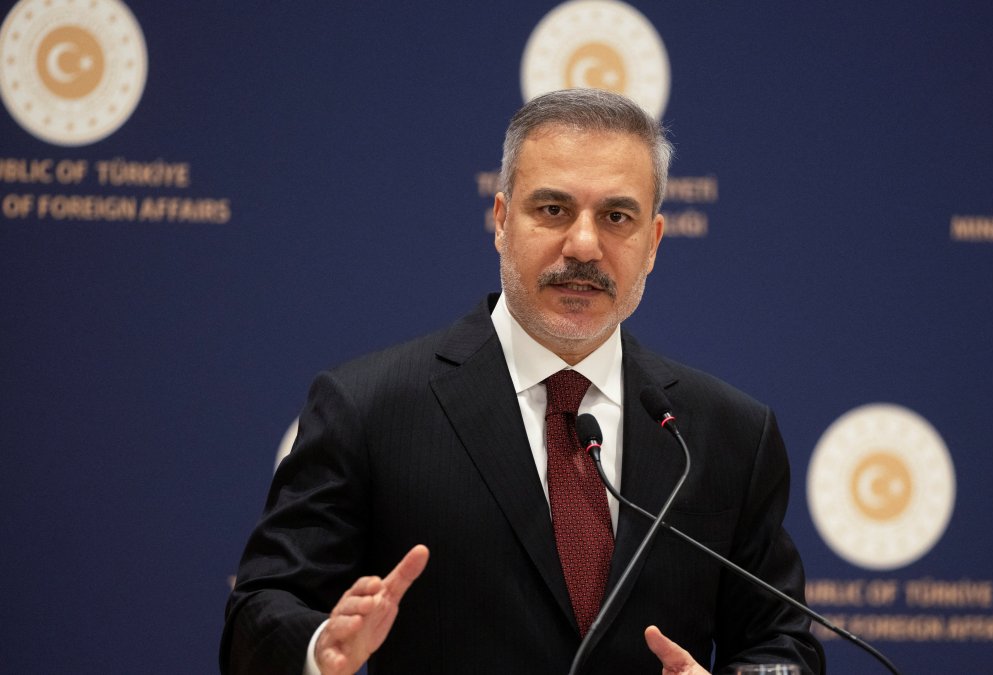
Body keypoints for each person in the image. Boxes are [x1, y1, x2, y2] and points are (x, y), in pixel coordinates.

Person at [220, 88, 825, 675]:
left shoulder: (727, 433)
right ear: (503, 220)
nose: (583, 245)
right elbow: (259, 615)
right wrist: (321, 647)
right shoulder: (372, 409)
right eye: (553, 210)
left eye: (617, 217)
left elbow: (781, 646)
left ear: (652, 244)